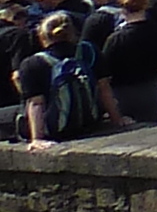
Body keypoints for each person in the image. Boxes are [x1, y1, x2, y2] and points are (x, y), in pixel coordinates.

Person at [94, 0, 157, 128]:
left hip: (122, 92)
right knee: (151, 128)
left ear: (123, 9)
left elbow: (104, 73)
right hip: (151, 89)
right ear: (146, 6)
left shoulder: (115, 38)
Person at [18, 12, 98, 145]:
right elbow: (104, 87)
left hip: (56, 131)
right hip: (89, 123)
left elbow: (36, 103)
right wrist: (117, 120)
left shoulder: (32, 63)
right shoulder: (87, 51)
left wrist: (37, 139)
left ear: (42, 36)